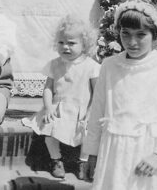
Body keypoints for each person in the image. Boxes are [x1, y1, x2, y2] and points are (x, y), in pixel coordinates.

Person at [82, 0, 157, 189]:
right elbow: (97, 111)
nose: (132, 42)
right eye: (126, 33)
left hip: (149, 154)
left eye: (141, 35)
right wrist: (91, 153)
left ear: (154, 35)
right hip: (113, 153)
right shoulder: (109, 66)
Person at [22, 14, 100, 179]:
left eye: (71, 43)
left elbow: (97, 94)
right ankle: (56, 159)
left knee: (87, 132)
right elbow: (48, 89)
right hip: (58, 109)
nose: (65, 47)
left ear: (84, 44)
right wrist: (48, 107)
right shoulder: (55, 64)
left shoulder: (91, 66)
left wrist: (90, 114)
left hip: (82, 111)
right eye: (61, 42)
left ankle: (83, 161)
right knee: (48, 127)